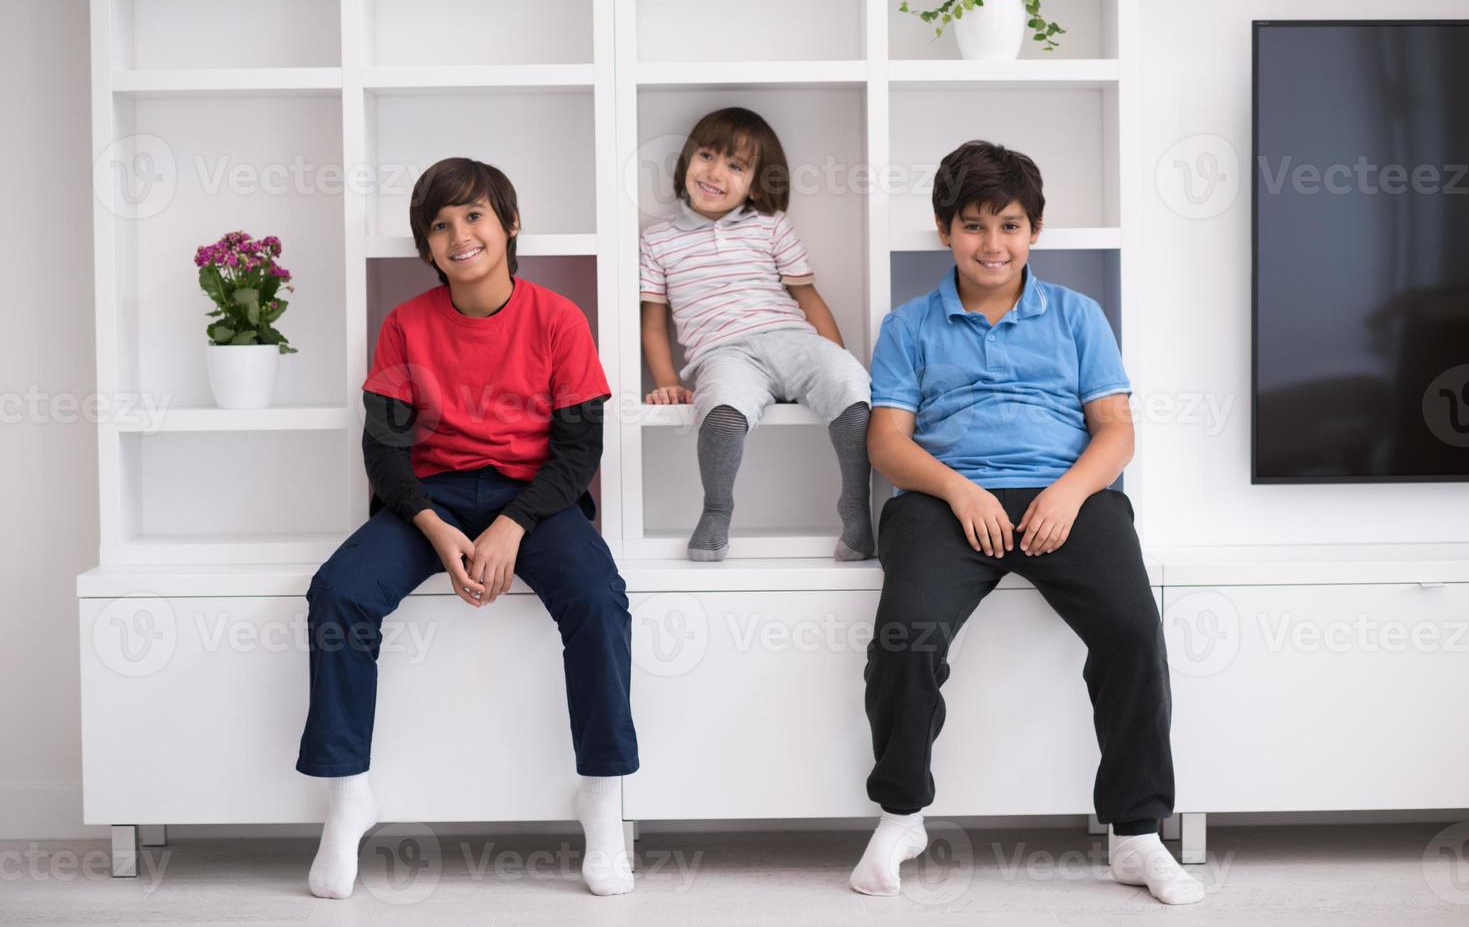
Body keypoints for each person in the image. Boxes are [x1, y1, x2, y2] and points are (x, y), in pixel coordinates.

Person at [849, 140, 1204, 905]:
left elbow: (1114, 428)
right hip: (942, 503)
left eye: (1008, 225)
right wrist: (959, 491)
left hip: (1064, 496)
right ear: (945, 230)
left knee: (1133, 630)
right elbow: (886, 442)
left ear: (1034, 230)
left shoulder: (1077, 315)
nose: (992, 244)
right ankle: (901, 812)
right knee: (904, 636)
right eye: (973, 225)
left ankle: (1136, 834)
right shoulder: (908, 326)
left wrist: (1069, 494)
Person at [295, 157, 638, 899]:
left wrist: (512, 525)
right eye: (440, 225)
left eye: (474, 215)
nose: (459, 235)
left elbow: (581, 448)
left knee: (598, 598)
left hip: (535, 498)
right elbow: (381, 449)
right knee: (339, 593)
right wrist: (434, 527)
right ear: (426, 247)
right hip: (429, 496)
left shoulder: (558, 320)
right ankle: (348, 794)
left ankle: (603, 798)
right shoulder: (405, 325)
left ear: (510, 225)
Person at [639, 107, 874, 562]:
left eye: (735, 165)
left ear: (756, 182)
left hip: (793, 338)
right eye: (706, 155)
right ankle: (717, 509)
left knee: (851, 389)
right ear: (686, 161)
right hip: (723, 353)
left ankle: (856, 509)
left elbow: (807, 298)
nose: (713, 172)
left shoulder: (770, 227)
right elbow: (653, 321)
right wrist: (667, 381)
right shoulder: (658, 240)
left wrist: (835, 356)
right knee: (721, 411)